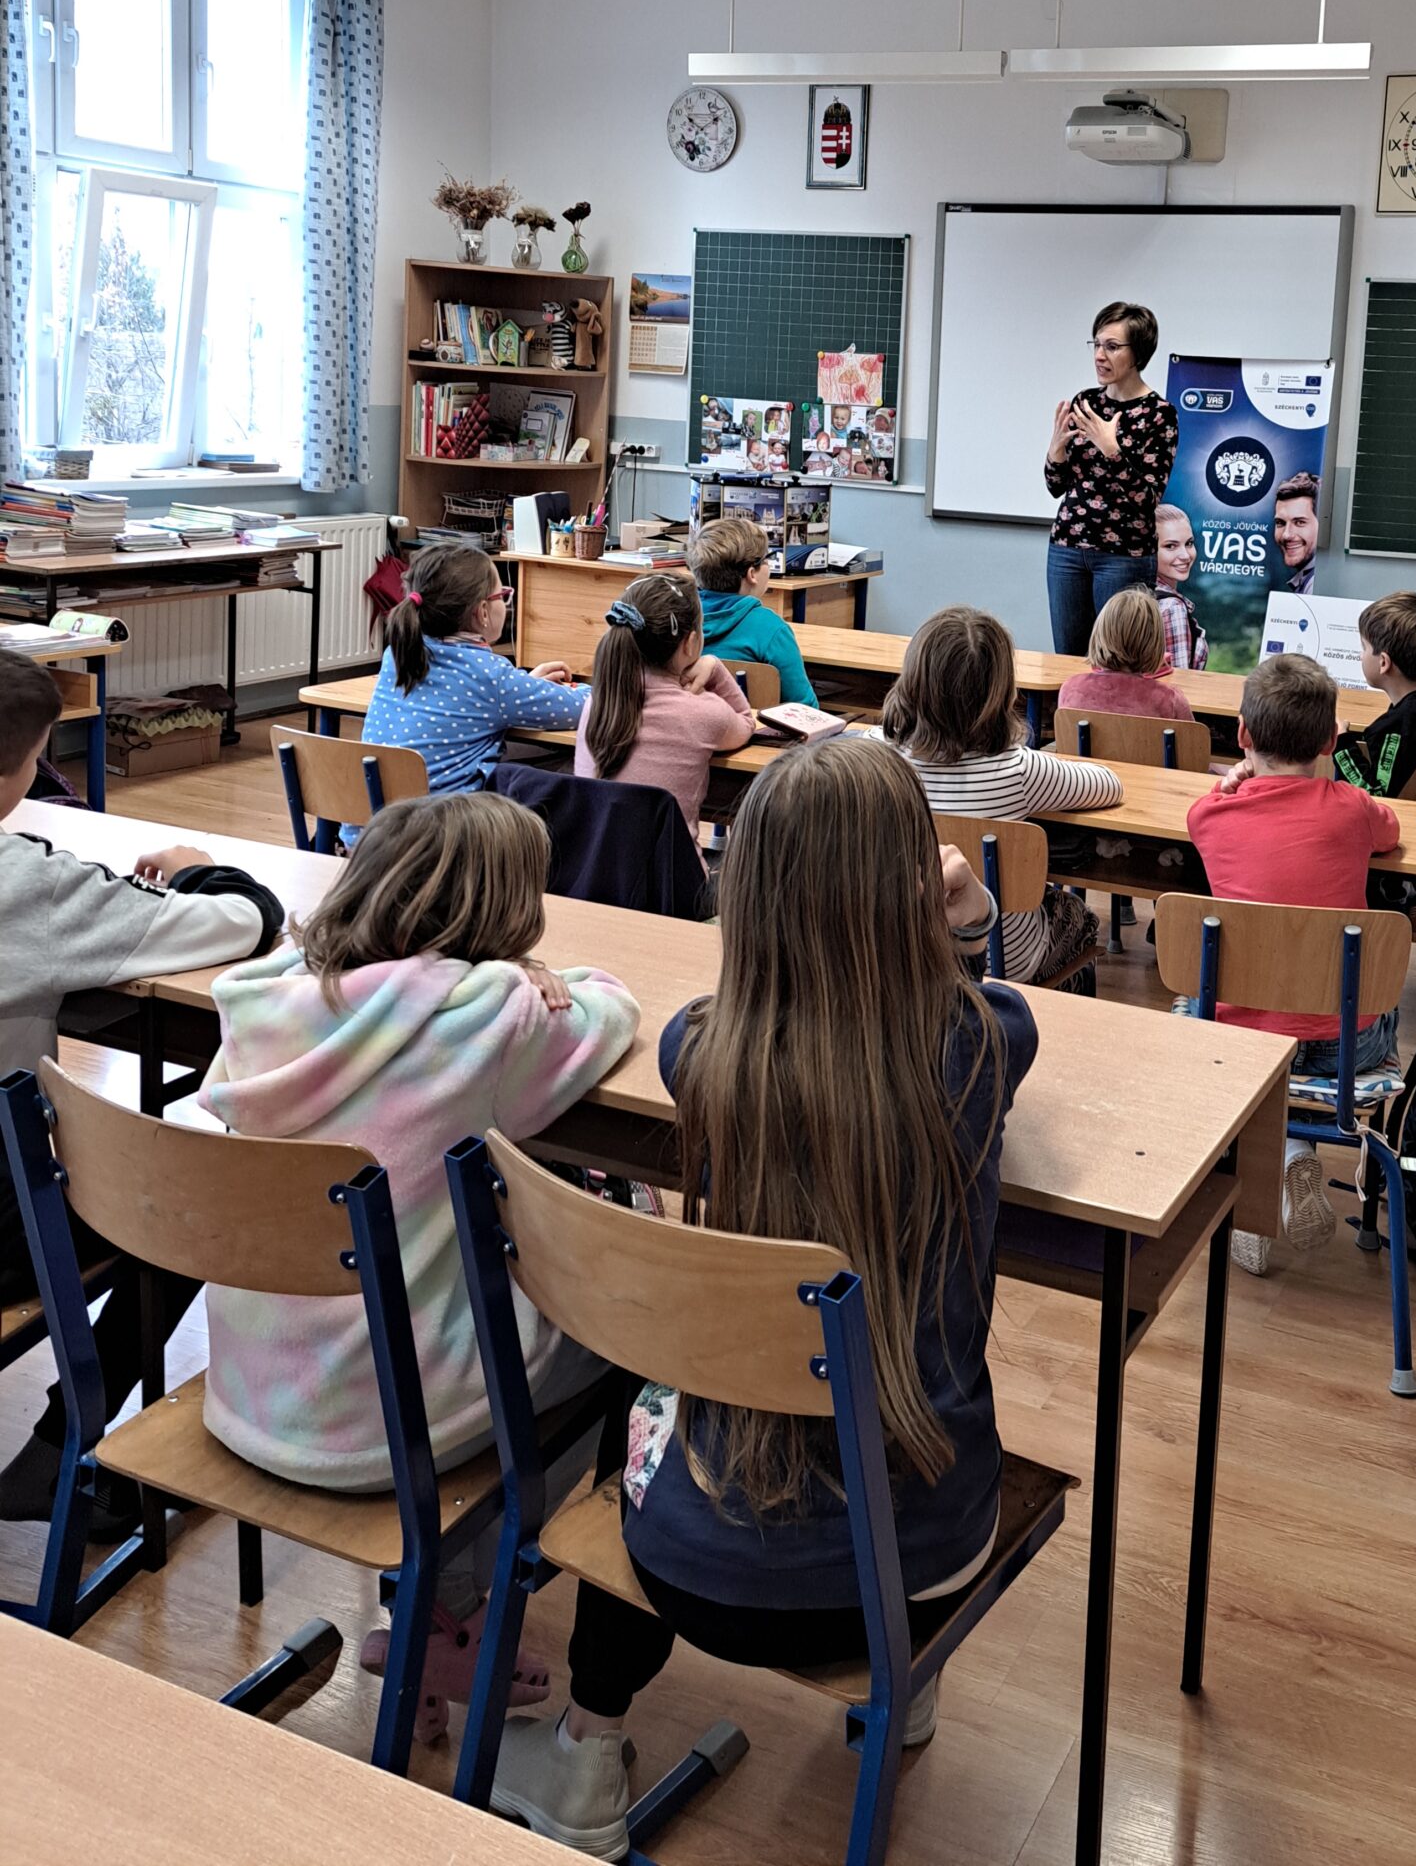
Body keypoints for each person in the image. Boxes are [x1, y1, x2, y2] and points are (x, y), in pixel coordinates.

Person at [486, 738, 1033, 1852]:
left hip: (686, 1566)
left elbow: (719, 1015)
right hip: (915, 1574)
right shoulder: (980, 1049)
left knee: (648, 1388)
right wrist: (967, 921)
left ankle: (588, 1749)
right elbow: (974, 997)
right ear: (907, 890)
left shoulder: (702, 1052)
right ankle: (903, 1690)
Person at [199, 791, 638, 1745]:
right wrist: (538, 975)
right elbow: (611, 1011)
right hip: (380, 1430)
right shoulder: (488, 1014)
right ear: (501, 917)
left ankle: (435, 1610)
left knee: (444, 1289)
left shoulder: (259, 999)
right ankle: (453, 1606)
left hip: (248, 1391)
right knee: (624, 1344)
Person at [0, 650, 283, 1535]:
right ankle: (61, 1445)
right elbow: (247, 921)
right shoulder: (25, 883)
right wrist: (200, 866)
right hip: (1, 1224)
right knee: (203, 1206)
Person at [1183, 655, 1401, 1266]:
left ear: (1242, 735)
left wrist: (1229, 782)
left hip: (1239, 1041)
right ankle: (1295, 1157)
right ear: (1330, 741)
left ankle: (1260, 1180)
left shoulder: (1209, 815)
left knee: (1222, 1007)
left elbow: (1202, 812)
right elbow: (1388, 829)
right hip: (1343, 1050)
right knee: (1378, 995)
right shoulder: (1351, 808)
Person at [882, 607, 1119, 989]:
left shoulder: (875, 759)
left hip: (906, 956)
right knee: (1080, 917)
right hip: (1005, 964)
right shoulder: (1020, 769)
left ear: (910, 682)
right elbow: (1109, 785)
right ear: (1003, 691)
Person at [363, 542, 585, 796]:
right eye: (502, 595)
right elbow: (582, 709)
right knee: (566, 771)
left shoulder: (397, 654)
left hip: (376, 819)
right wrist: (582, 687)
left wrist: (524, 686)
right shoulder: (491, 677)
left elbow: (472, 694)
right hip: (444, 819)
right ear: (483, 612)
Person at [1043, 299, 1180, 655]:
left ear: (1138, 353)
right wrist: (1055, 451)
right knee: (1068, 659)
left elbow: (1147, 500)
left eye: (1113, 347)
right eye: (1097, 344)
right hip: (1068, 549)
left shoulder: (1159, 414)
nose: (1100, 356)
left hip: (1124, 556)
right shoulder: (1085, 403)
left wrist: (1111, 450)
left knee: (1117, 660)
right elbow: (1056, 486)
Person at [575, 573, 755, 838]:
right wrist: (715, 667)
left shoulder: (598, 701)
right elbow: (746, 722)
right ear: (690, 643)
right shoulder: (704, 712)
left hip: (594, 861)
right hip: (670, 865)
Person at [1333, 592, 1416, 797]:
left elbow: (1375, 795)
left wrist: (1341, 742)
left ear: (1383, 663)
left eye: (1364, 647)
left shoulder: (1393, 727)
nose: (1361, 655)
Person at [690, 515, 818, 707]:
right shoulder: (771, 629)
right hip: (750, 726)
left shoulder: (677, 619)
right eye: (767, 559)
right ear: (752, 574)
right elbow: (805, 707)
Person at [1058, 586, 1195, 722]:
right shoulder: (1170, 700)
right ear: (1156, 643)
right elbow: (1191, 736)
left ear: (1099, 633)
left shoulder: (1070, 689)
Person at [1154, 500, 1209, 671]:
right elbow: (1178, 680)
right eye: (1170, 546)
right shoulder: (1172, 608)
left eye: (1189, 543)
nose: (1185, 555)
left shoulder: (1131, 593)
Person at [1271, 473, 1320, 596]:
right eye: (1280, 523)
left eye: (1299, 522)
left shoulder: (1318, 585)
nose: (1286, 535)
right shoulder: (1308, 580)